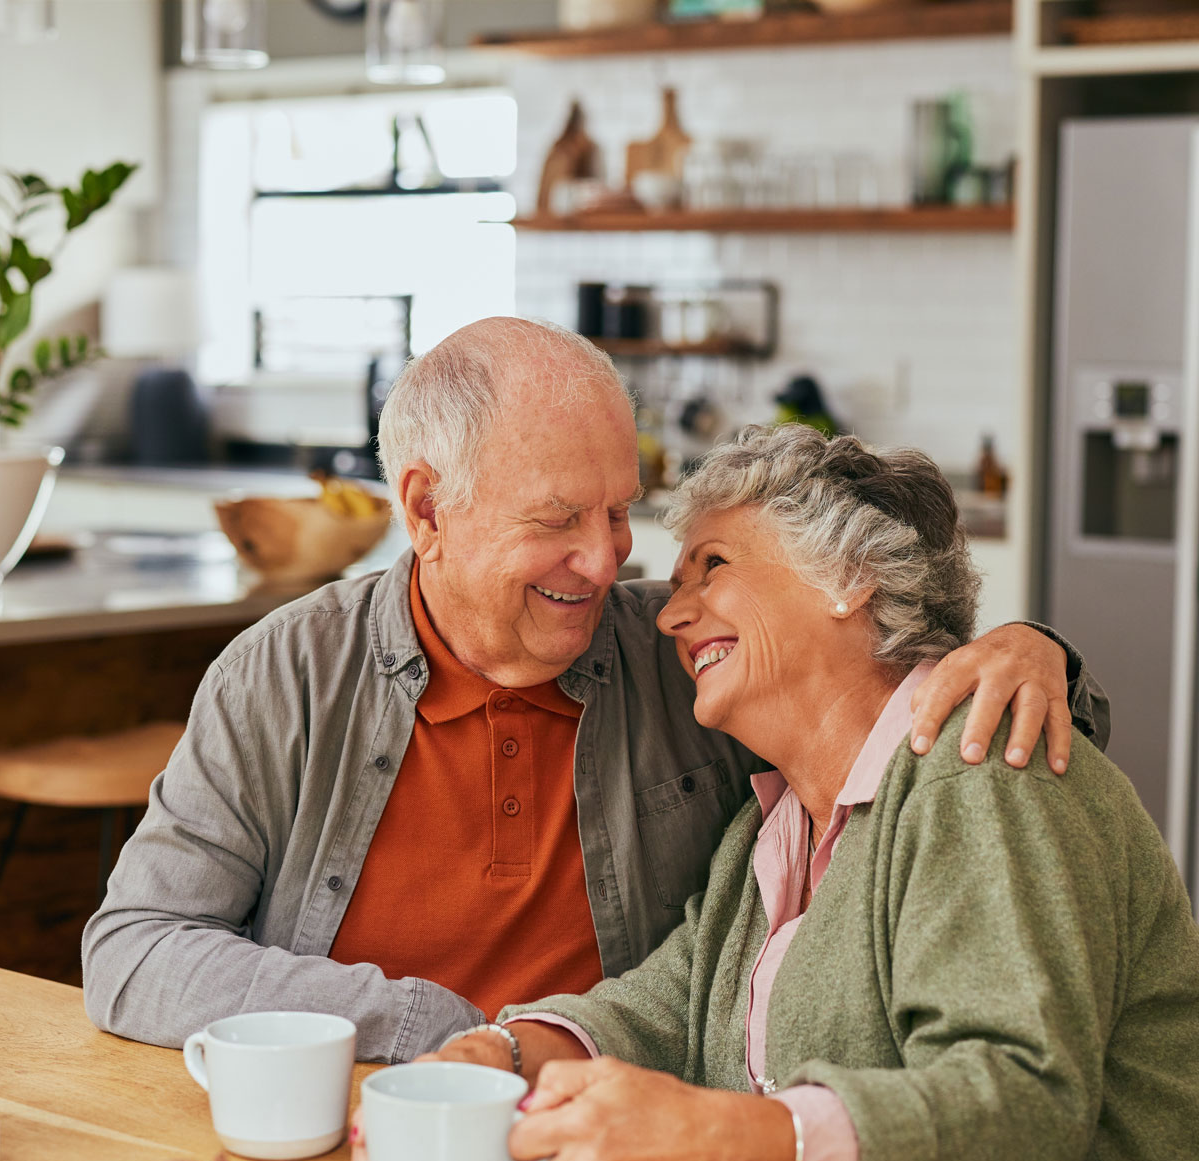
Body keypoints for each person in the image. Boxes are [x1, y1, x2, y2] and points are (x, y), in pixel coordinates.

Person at [82, 319, 1110, 1063]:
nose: (605, 559)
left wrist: (1033, 648)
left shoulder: (689, 655)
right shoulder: (286, 673)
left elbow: (928, 710)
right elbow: (133, 952)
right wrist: (430, 1027)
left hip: (616, 1133)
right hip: (370, 1110)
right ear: (427, 509)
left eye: (618, 511)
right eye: (557, 518)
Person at [371, 424, 1199, 1161]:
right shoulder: (774, 822)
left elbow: (1021, 1102)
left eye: (712, 567)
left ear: (850, 578)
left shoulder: (980, 773)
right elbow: (673, 1004)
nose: (673, 616)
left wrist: (726, 1141)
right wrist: (509, 1052)